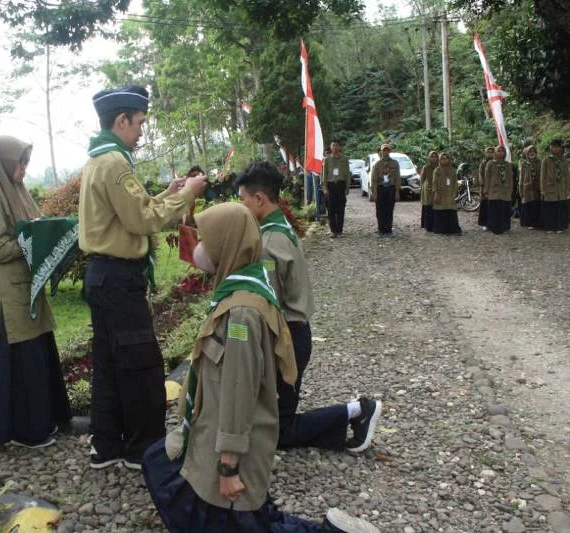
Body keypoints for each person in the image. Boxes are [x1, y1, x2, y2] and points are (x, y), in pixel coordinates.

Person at [141, 202, 380, 533]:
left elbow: (239, 392)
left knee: (246, 523)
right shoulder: (239, 286)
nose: (199, 248)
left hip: (229, 447)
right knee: (160, 465)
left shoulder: (241, 313)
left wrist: (228, 467)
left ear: (227, 245)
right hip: (210, 434)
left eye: (206, 240)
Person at [79, 85, 207, 469]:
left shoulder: (98, 159)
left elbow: (131, 211)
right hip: (119, 278)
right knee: (141, 364)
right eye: (139, 123)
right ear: (121, 120)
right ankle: (143, 451)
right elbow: (143, 221)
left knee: (109, 363)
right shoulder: (115, 163)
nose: (141, 132)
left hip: (102, 276)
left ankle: (106, 445)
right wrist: (187, 195)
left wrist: (167, 193)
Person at [234, 161, 382, 453]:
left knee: (278, 431)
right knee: (267, 420)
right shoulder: (279, 228)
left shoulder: (268, 242)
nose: (241, 207)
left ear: (259, 199)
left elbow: (266, 304)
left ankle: (357, 411)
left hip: (285, 339)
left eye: (243, 200)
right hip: (295, 334)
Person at [0, 135, 72, 449]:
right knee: (21, 361)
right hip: (8, 295)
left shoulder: (16, 193)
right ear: (2, 163)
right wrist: (36, 241)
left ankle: (44, 421)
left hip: (27, 287)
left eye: (26, 163)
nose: (24, 169)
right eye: (19, 163)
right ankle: (26, 431)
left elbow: (32, 226)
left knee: (37, 356)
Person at [370, 144, 401, 237]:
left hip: (391, 188)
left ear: (390, 151)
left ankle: (388, 230)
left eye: (387, 150)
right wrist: (374, 193)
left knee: (389, 210)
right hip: (380, 188)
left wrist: (397, 192)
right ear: (381, 151)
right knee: (380, 210)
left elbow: (397, 178)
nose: (385, 152)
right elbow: (374, 180)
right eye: (384, 150)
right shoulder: (377, 164)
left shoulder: (395, 163)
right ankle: (381, 230)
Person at [321, 139, 350, 237]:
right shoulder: (327, 159)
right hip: (331, 185)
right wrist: (325, 187)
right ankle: (333, 230)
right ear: (330, 147)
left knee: (341, 208)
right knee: (331, 209)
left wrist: (347, 187)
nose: (335, 147)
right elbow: (324, 174)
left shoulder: (344, 159)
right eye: (333, 145)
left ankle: (339, 230)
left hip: (341, 185)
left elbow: (347, 174)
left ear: (340, 147)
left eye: (337, 145)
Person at [540, 139, 569, 233]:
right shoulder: (546, 160)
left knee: (560, 209)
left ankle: (560, 227)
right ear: (551, 148)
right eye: (554, 147)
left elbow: (567, 175)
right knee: (550, 209)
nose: (556, 149)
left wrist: (568, 189)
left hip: (561, 188)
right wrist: (542, 189)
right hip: (549, 188)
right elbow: (542, 176)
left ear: (560, 148)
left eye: (558, 147)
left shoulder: (564, 160)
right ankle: (550, 227)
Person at [484, 145, 514, 235]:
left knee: (504, 210)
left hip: (505, 191)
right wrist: (486, 190)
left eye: (502, 151)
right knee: (494, 211)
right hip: (494, 191)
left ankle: (505, 227)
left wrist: (510, 189)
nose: (501, 153)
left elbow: (510, 178)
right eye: (498, 151)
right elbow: (487, 177)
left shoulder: (507, 165)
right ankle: (494, 227)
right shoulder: (491, 164)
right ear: (495, 152)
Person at [431, 153, 462, 235]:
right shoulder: (437, 170)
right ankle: (442, 230)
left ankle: (453, 229)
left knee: (451, 211)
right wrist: (436, 193)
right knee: (441, 211)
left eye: (446, 158)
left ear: (449, 160)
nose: (445, 160)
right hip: (440, 193)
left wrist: (455, 192)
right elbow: (434, 183)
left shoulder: (453, 170)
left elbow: (455, 182)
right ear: (440, 160)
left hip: (450, 193)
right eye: (443, 159)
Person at [518, 145, 541, 229]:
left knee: (536, 205)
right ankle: (529, 223)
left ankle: (536, 223)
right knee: (528, 205)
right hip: (527, 187)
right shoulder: (524, 163)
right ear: (527, 153)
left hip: (537, 187)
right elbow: (521, 177)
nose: (532, 153)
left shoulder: (539, 162)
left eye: (533, 151)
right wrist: (520, 188)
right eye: (530, 152)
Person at [420, 151, 439, 232]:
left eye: (435, 156)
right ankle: (428, 226)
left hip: (437, 188)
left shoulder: (439, 167)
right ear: (429, 157)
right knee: (428, 207)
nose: (434, 158)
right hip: (427, 189)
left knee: (436, 207)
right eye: (432, 156)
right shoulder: (426, 167)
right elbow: (422, 179)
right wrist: (423, 188)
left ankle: (436, 225)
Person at [477, 146, 495, 229]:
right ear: (485, 153)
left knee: (493, 206)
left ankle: (493, 223)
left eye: (492, 152)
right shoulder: (483, 163)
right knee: (485, 206)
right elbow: (480, 174)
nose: (490, 153)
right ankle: (485, 223)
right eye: (488, 152)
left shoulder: (496, 162)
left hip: (494, 188)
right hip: (484, 188)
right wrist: (483, 184)